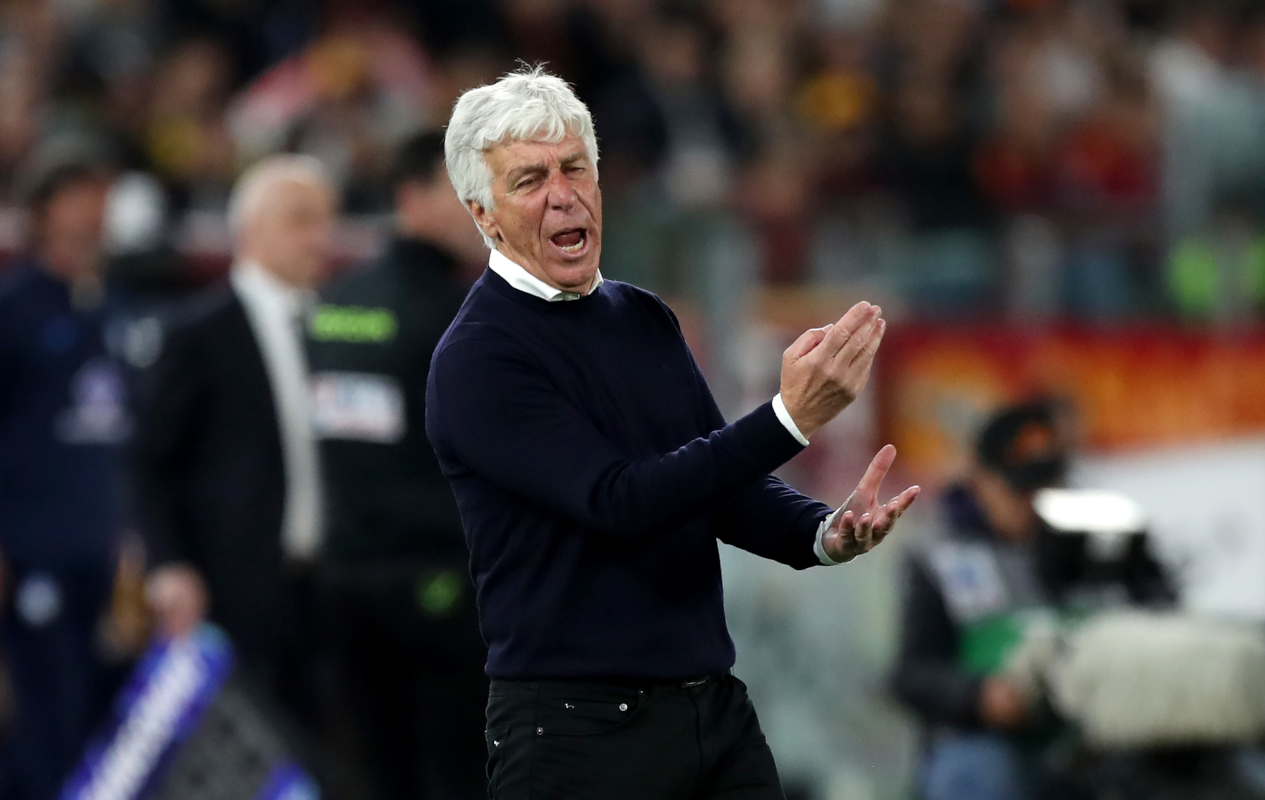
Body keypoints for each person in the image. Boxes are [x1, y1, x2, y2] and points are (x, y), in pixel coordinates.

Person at [425, 67, 920, 800]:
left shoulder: (642, 318)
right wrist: (788, 420)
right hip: (574, 731)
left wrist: (822, 532)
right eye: (529, 180)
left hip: (712, 710)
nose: (562, 193)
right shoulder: (479, 358)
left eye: (575, 168)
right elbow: (620, 502)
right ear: (483, 213)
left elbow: (717, 488)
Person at [305, 131, 487, 800]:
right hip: (437, 583)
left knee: (368, 774)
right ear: (410, 197)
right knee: (456, 775)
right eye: (463, 189)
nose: (483, 205)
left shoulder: (332, 304)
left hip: (342, 578)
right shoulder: (462, 312)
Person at [130, 155, 336, 728]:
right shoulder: (197, 331)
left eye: (327, 220)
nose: (321, 237)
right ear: (250, 230)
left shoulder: (342, 325)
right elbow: (147, 463)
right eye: (301, 220)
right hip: (232, 590)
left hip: (327, 590)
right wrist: (167, 563)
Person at [890, 401, 1171, 800]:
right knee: (982, 775)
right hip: (990, 741)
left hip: (1102, 735)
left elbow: (1163, 615)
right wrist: (980, 697)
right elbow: (911, 674)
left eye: (1048, 484)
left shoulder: (1111, 537)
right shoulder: (938, 554)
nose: (1037, 502)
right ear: (980, 480)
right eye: (1021, 489)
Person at [0, 157, 126, 800]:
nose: (92, 212)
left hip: (106, 558)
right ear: (44, 209)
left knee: (107, 729)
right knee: (45, 724)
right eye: (76, 195)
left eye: (99, 195)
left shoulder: (117, 311)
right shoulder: (14, 309)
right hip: (33, 556)